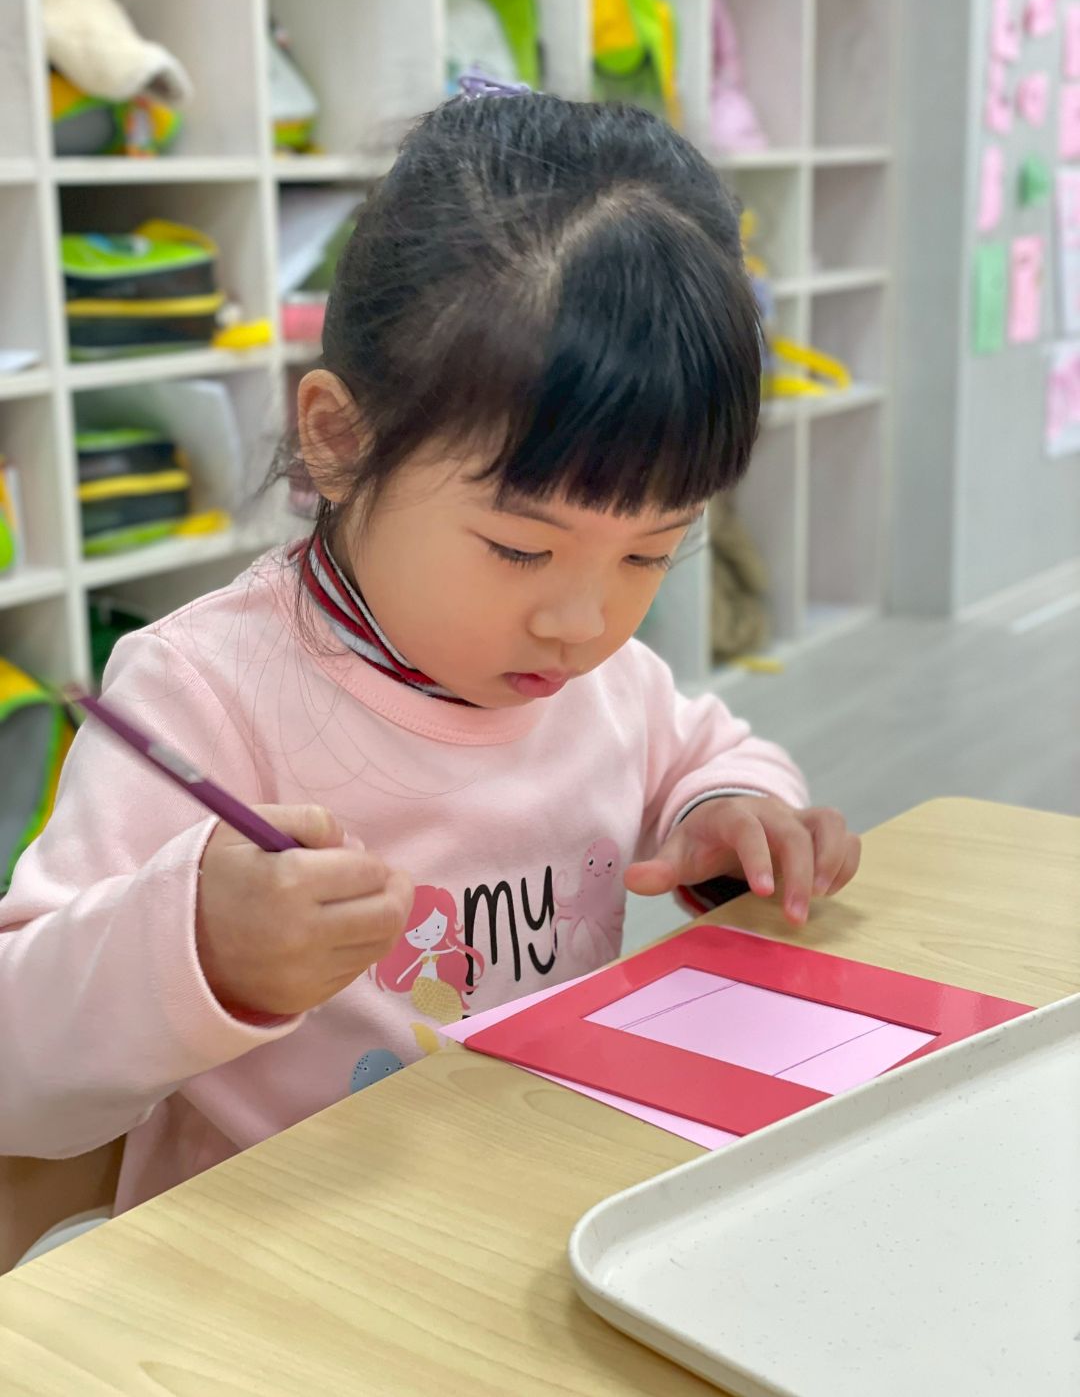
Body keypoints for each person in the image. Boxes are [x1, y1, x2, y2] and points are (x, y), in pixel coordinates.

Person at [0, 90, 860, 1212]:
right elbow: (17, 1066)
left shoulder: (603, 683)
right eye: (519, 548)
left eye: (651, 551)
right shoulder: (205, 690)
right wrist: (198, 945)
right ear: (338, 440)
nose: (582, 621)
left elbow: (712, 752)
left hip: (528, 1198)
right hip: (279, 1250)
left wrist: (733, 812)